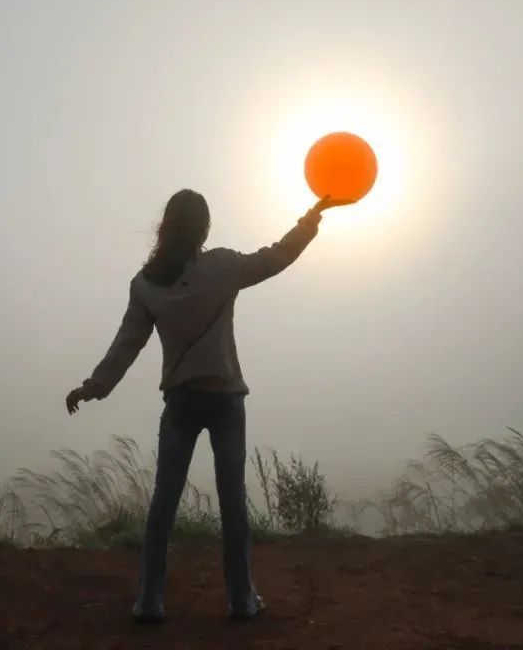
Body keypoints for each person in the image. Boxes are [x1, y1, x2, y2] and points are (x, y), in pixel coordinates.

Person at [64, 188, 349, 623]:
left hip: (180, 400)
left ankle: (150, 602)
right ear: (204, 228)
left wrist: (93, 386)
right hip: (225, 399)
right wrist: (311, 219)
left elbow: (127, 343)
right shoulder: (222, 266)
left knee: (164, 503)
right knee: (233, 502)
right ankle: (241, 600)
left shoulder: (145, 286)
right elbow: (276, 257)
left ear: (166, 225)